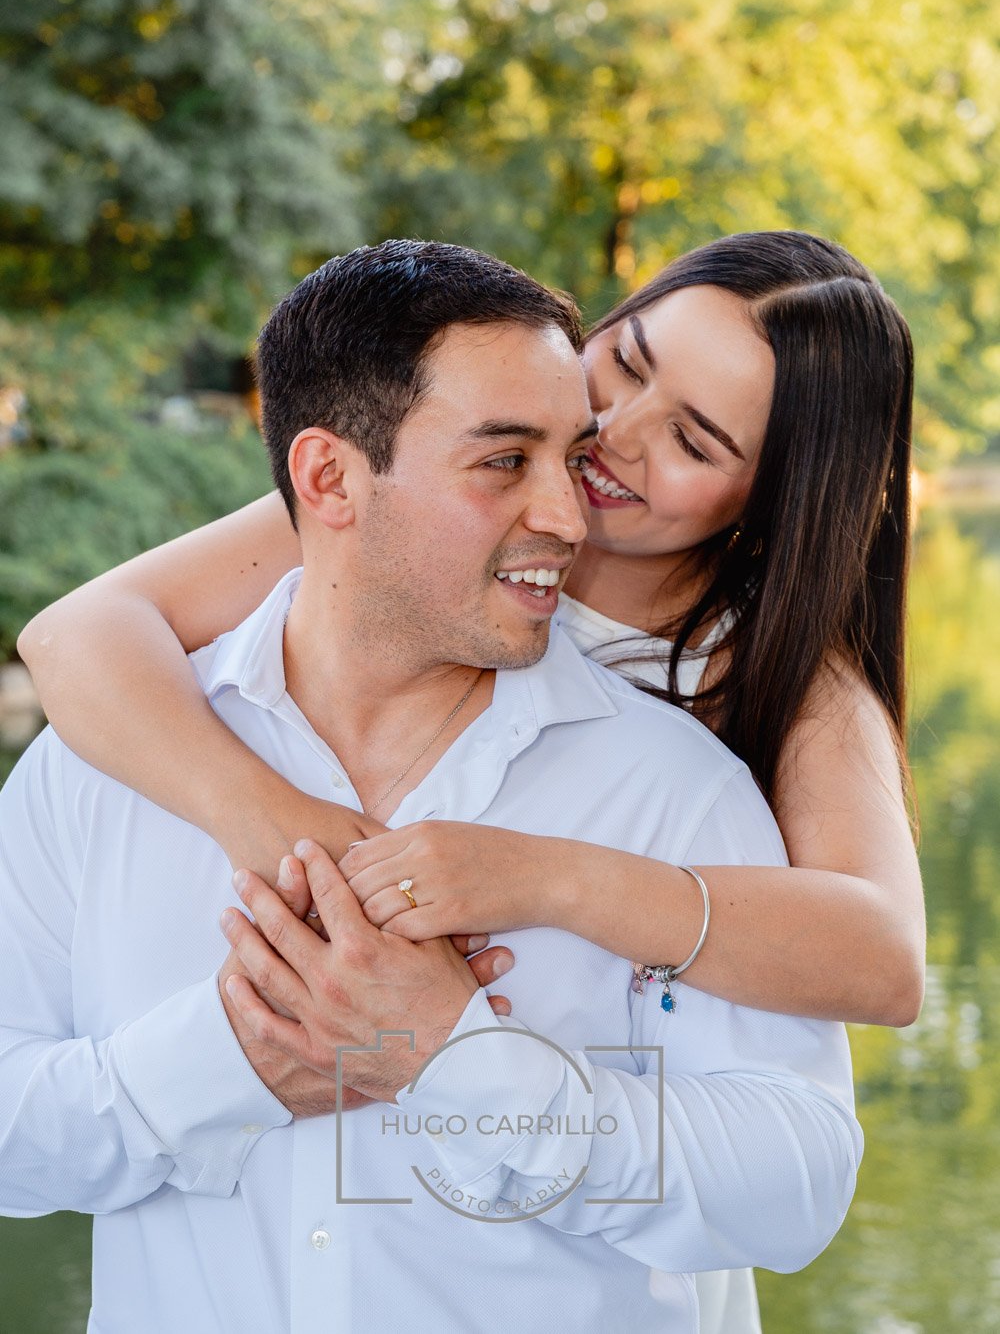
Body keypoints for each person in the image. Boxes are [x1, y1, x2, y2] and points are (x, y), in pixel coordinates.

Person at [17, 230, 925, 1334]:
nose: (612, 446)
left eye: (691, 438)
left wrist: (537, 885)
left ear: (767, 495)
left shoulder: (765, 694)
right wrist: (298, 840)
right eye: (627, 362)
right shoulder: (390, 507)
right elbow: (79, 634)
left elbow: (879, 963)